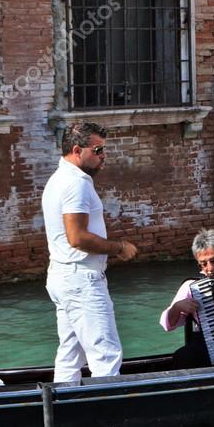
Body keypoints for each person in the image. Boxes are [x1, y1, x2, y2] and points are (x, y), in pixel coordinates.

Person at [42, 122, 138, 383]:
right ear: (77, 150)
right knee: (106, 356)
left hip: (64, 277)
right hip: (82, 281)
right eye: (98, 150)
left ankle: (60, 414)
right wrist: (119, 248)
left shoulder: (57, 179)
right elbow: (77, 238)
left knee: (70, 356)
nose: (103, 155)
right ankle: (108, 421)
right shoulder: (76, 183)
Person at [159, 229, 214, 368]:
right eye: (203, 264)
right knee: (183, 357)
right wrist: (177, 307)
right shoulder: (191, 286)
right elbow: (167, 325)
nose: (209, 268)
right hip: (210, 345)